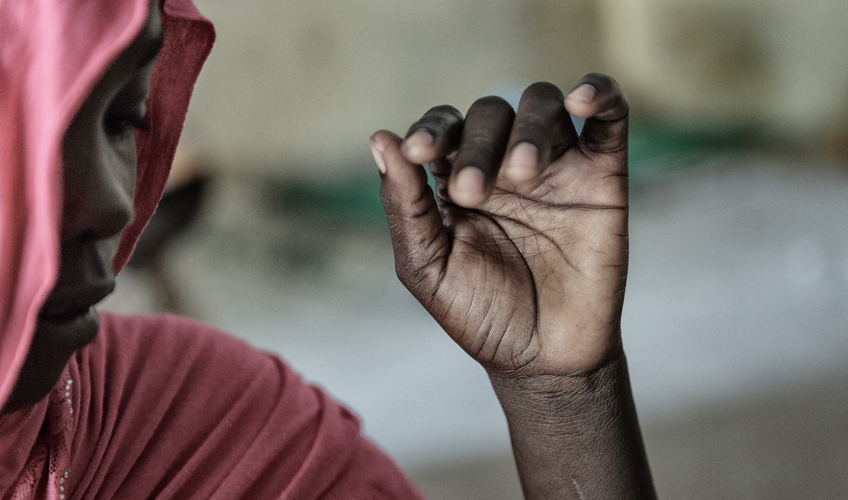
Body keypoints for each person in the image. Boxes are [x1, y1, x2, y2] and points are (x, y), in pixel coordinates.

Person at [0, 0, 656, 497]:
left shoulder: (213, 437)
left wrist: (564, 397)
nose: (117, 199)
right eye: (23, 124)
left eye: (124, 117)